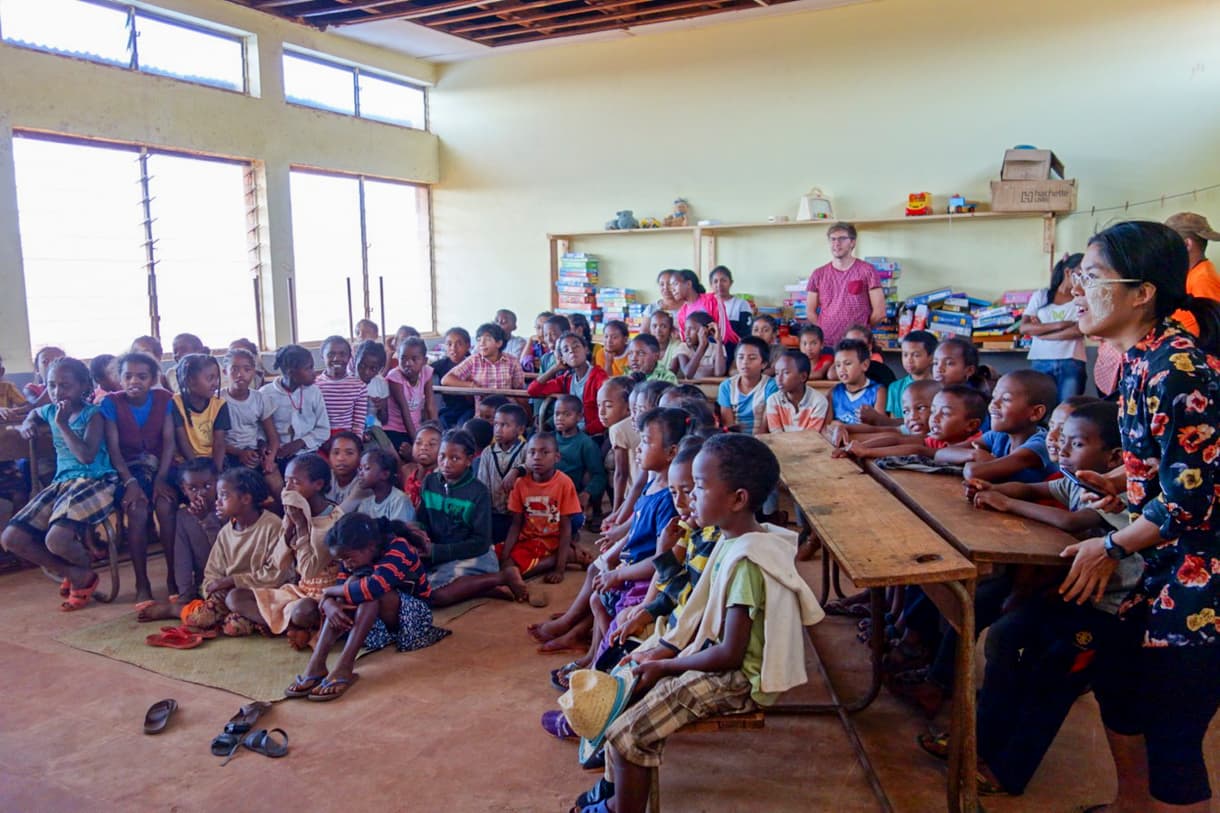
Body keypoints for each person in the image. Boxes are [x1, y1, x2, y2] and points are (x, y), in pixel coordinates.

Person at [1050, 221, 1220, 811]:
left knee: (1174, 735)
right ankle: (1130, 805)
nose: (1079, 292)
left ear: (1141, 292)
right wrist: (1120, 480)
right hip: (1157, 564)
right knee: (1120, 692)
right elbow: (1172, 458)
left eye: (1092, 278)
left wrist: (1114, 544)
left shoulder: (1179, 368)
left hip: (1200, 580)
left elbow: (1191, 497)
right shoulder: (1136, 361)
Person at [578, 433, 823, 813]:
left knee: (628, 735)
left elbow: (729, 655)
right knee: (624, 695)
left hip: (736, 680)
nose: (690, 497)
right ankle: (615, 792)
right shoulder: (730, 540)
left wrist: (664, 665)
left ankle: (618, 808)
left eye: (701, 487)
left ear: (738, 499)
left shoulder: (745, 563)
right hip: (711, 658)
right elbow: (694, 609)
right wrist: (660, 659)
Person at [529, 408, 682, 666]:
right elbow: (638, 516)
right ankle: (587, 648)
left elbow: (660, 557)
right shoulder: (654, 482)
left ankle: (594, 654)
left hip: (640, 574)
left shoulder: (670, 498)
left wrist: (619, 571)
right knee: (597, 585)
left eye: (645, 441)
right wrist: (618, 534)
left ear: (672, 452)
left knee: (601, 588)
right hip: (629, 563)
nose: (638, 448)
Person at [287, 514, 448, 702]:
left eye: (348, 558)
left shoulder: (399, 547)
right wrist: (329, 602)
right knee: (349, 589)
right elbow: (341, 587)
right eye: (342, 560)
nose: (346, 564)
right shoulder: (351, 556)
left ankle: (345, 667)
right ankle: (316, 664)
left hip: (412, 619)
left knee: (366, 591)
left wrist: (327, 592)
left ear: (370, 547)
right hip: (376, 622)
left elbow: (374, 588)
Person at [1, 357, 118, 611]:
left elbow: (86, 456)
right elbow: (33, 412)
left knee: (57, 540)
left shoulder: (93, 415)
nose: (57, 392)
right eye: (51, 385)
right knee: (11, 538)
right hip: (62, 483)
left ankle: (82, 572)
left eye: (65, 386)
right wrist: (27, 424)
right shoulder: (51, 411)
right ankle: (76, 574)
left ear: (84, 385)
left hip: (94, 480)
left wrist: (62, 424)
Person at [224, 453, 342, 640]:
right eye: (286, 482)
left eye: (295, 482)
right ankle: (289, 628)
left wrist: (302, 527)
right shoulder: (295, 513)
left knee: (303, 612)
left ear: (318, 485)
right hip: (298, 591)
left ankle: (283, 624)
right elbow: (278, 563)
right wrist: (288, 531)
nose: (287, 489)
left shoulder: (333, 521)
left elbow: (309, 570)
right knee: (234, 597)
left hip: (324, 597)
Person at [415, 429, 528, 606]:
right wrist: (420, 537)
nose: (446, 463)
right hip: (437, 553)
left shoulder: (478, 492)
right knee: (408, 583)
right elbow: (421, 519)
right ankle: (480, 588)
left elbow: (480, 542)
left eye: (455, 458)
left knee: (432, 595)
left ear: (469, 460)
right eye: (442, 456)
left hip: (474, 555)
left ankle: (501, 577)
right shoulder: (430, 483)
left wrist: (438, 551)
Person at [99, 352, 176, 602]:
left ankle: (173, 576)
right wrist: (130, 483)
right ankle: (142, 582)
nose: (135, 381)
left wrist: (161, 479)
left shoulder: (164, 398)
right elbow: (113, 449)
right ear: (119, 379)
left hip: (160, 468)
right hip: (126, 471)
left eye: (142, 377)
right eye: (128, 376)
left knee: (166, 506)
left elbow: (168, 442)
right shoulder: (111, 403)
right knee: (137, 510)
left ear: (153, 379)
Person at [945, 370, 1057, 484]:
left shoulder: (1041, 445)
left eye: (1006, 399)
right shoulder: (1000, 436)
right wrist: (975, 454)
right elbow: (942, 454)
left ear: (1036, 413)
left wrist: (976, 459)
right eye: (994, 397)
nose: (994, 404)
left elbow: (973, 473)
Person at [498, 432, 582, 582]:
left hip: (550, 541)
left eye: (545, 452)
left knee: (515, 570)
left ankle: (565, 557)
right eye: (532, 452)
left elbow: (565, 527)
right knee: (499, 560)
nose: (537, 457)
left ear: (557, 457)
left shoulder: (564, 483)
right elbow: (516, 524)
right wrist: (505, 556)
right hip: (527, 539)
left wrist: (559, 569)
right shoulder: (520, 483)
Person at [1019, 252, 1088, 403]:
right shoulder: (1042, 295)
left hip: (1071, 361)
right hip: (1040, 359)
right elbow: (1024, 328)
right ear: (1068, 272)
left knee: (1067, 409)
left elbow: (1079, 330)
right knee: (1039, 407)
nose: (1083, 280)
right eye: (1080, 274)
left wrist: (1042, 333)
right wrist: (1062, 324)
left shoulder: (1083, 297)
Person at [804, 222, 885, 348]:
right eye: (833, 239)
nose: (836, 243)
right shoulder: (818, 274)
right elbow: (810, 312)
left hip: (857, 344)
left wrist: (863, 329)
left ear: (852, 242)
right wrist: (823, 330)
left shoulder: (867, 270)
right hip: (827, 344)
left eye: (842, 238)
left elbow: (879, 313)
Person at [527, 332, 610, 436]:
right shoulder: (567, 379)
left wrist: (583, 432)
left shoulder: (598, 376)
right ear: (563, 358)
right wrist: (555, 368)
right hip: (569, 432)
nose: (571, 351)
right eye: (566, 350)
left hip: (592, 434)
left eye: (576, 346)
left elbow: (606, 414)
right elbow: (533, 390)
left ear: (586, 350)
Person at [221, 347, 280, 489]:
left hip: (254, 452)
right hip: (228, 453)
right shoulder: (218, 400)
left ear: (253, 372)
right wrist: (239, 453)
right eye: (234, 369)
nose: (240, 374)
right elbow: (215, 440)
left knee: (275, 481)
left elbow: (273, 438)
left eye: (247, 369)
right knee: (237, 487)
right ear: (225, 372)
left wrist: (269, 459)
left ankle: (283, 511)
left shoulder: (260, 399)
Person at [261, 344, 330, 463]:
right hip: (277, 454)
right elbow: (260, 431)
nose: (314, 373)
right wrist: (265, 447)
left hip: (308, 451)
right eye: (308, 368)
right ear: (291, 372)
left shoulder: (314, 392)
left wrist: (300, 442)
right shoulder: (266, 394)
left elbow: (324, 429)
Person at [863, 329, 937, 427]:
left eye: (916, 355)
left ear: (931, 358)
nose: (909, 360)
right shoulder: (895, 387)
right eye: (905, 355)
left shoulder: (939, 388)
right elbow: (892, 423)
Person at [477, 402, 528, 543]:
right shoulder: (488, 452)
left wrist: (516, 470)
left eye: (505, 425)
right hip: (494, 513)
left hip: (519, 515)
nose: (498, 430)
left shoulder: (527, 449)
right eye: (496, 424)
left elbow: (531, 466)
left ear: (520, 429)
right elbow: (483, 485)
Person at [441, 323, 525, 404]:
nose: (481, 343)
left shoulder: (512, 362)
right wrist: (472, 385)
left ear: (499, 343)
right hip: (483, 414)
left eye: (487, 339)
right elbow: (446, 380)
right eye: (479, 340)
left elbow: (519, 393)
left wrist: (528, 416)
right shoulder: (474, 360)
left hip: (507, 412)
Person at [171, 353, 229, 473]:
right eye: (210, 378)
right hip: (186, 461)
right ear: (190, 380)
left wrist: (216, 472)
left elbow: (219, 443)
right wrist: (197, 469)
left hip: (212, 460)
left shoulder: (219, 404)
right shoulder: (176, 403)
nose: (215, 383)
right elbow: (182, 441)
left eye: (217, 378)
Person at [1165, 211, 1220, 336]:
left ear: (1187, 244)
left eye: (1167, 244)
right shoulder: (1192, 274)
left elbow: (1212, 331)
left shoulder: (1203, 279)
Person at [553, 395, 607, 517]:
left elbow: (599, 476)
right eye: (557, 414)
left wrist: (586, 494)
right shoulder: (549, 438)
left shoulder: (586, 443)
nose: (560, 418)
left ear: (579, 417)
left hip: (570, 494)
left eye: (567, 414)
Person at [716, 337, 777, 435]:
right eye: (740, 357)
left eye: (752, 358)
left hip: (761, 440)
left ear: (764, 364)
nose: (745, 362)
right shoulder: (726, 386)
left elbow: (765, 426)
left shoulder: (771, 386)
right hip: (734, 440)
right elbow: (728, 426)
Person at [385, 336, 435, 447]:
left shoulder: (426, 372)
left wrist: (437, 434)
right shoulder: (395, 377)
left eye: (414, 359)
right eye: (403, 358)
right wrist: (416, 444)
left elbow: (430, 405)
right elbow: (405, 412)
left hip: (416, 428)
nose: (408, 363)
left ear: (424, 361)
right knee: (412, 453)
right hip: (394, 429)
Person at [341, 447, 415, 522]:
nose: (360, 473)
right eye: (360, 469)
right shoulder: (366, 503)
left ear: (385, 474)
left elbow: (400, 530)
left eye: (366, 468)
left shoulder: (399, 500)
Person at [765, 350, 829, 433]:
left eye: (786, 373)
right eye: (777, 373)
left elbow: (812, 436)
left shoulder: (818, 401)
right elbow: (776, 435)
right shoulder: (773, 400)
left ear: (803, 377)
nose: (779, 379)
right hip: (780, 445)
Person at [316, 336, 368, 437]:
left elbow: (358, 424)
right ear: (322, 356)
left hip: (346, 438)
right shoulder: (314, 385)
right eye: (331, 354)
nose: (336, 359)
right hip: (319, 439)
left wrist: (355, 442)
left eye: (342, 354)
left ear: (349, 357)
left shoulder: (359, 386)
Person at [826, 339, 885, 427]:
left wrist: (842, 427)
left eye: (848, 363)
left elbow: (880, 426)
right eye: (838, 365)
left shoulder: (878, 391)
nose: (842, 369)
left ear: (865, 365)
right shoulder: (833, 392)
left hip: (866, 439)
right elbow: (826, 425)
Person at [670, 269, 738, 345]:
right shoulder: (681, 314)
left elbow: (723, 331)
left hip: (722, 347)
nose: (672, 289)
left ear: (689, 284)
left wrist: (717, 346)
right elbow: (685, 341)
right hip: (698, 352)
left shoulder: (712, 300)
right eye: (671, 286)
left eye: (675, 284)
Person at [600, 377, 638, 516]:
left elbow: (621, 474)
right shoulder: (642, 422)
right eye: (599, 405)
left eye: (609, 406)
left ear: (628, 408)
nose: (602, 412)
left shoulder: (618, 429)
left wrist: (617, 511)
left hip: (634, 494)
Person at [431, 327, 475, 429]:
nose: (453, 348)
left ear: (468, 345)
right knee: (442, 421)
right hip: (449, 408)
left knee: (463, 425)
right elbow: (423, 370)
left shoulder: (473, 363)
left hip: (469, 408)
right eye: (449, 344)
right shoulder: (441, 364)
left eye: (459, 344)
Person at [672, 311, 727, 380]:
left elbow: (719, 373)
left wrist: (719, 341)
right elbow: (688, 374)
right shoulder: (683, 347)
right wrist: (701, 346)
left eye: (692, 329)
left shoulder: (718, 348)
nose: (687, 333)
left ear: (706, 331)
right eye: (686, 329)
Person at [402, 422, 442, 510]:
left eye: (432, 444)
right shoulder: (407, 470)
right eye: (418, 443)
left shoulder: (441, 478)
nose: (423, 447)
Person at [843, 324, 897, 389]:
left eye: (859, 344)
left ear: (869, 347)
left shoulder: (882, 372)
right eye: (849, 343)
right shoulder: (842, 368)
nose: (854, 348)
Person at [709, 265, 753, 342]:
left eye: (723, 280)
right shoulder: (707, 305)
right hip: (711, 351)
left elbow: (746, 335)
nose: (719, 284)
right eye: (715, 281)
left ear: (731, 283)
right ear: (711, 285)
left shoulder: (741, 304)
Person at [324, 431, 363, 504]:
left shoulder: (364, 482)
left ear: (359, 457)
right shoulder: (324, 477)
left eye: (349, 453)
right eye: (336, 453)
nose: (341, 458)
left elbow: (342, 512)